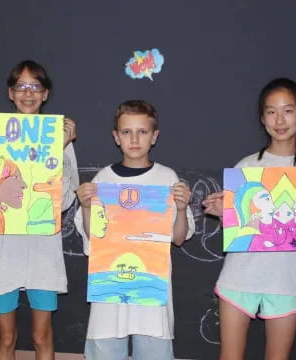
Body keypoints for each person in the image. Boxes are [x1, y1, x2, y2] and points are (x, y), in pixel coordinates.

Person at [0, 60, 78, 360]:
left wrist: (61, 151)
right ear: (10, 93)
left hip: (43, 250)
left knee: (42, 336)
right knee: (5, 337)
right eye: (21, 87)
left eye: (35, 87)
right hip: (4, 252)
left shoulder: (59, 139)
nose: (28, 94)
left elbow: (65, 201)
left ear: (46, 94)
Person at [74, 100, 195, 360]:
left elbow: (179, 238)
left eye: (142, 131)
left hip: (152, 299)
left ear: (154, 136)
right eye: (127, 132)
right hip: (108, 299)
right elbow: (95, 238)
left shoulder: (167, 178)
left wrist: (183, 209)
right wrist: (85, 207)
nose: (135, 139)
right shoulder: (103, 180)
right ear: (116, 137)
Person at [203, 77, 296, 359]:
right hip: (239, 278)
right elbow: (239, 229)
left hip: (287, 282)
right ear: (262, 118)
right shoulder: (247, 166)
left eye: (288, 110)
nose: (279, 119)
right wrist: (225, 212)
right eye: (271, 111)